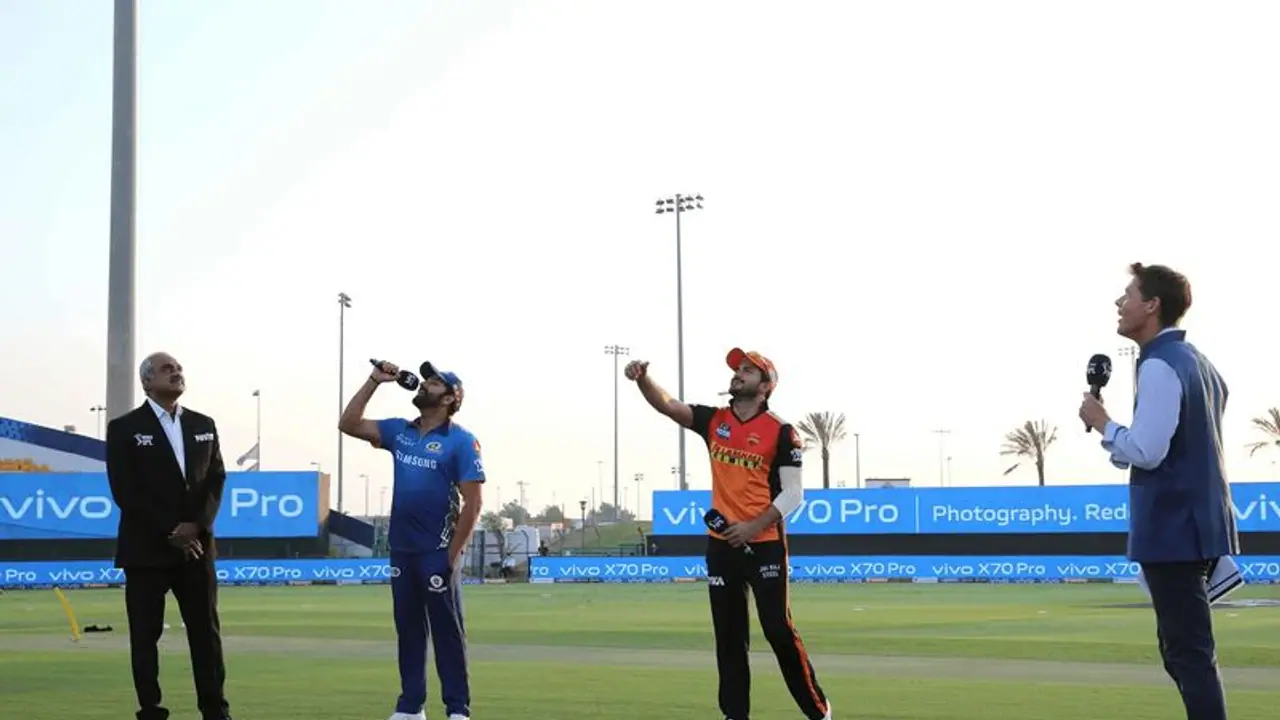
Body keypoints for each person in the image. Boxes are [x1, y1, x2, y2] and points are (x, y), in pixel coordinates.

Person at [626, 348, 831, 720]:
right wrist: (642, 379)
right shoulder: (714, 419)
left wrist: (752, 527)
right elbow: (669, 406)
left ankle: (819, 711)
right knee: (729, 637)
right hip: (722, 547)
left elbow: (793, 494)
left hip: (765, 545)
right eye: (738, 369)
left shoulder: (782, 432)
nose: (739, 373)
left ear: (765, 386)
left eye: (749, 370)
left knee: (778, 630)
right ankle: (735, 715)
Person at [1079, 262, 1236, 720]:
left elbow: (1148, 451)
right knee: (1183, 652)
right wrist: (1117, 437)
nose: (1119, 302)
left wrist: (1104, 424)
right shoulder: (1199, 363)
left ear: (1151, 306)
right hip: (1197, 523)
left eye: (1128, 294)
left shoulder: (1160, 365)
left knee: (1189, 654)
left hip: (1173, 528)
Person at [339, 359, 485, 720]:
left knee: (447, 633)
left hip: (437, 551)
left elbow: (473, 503)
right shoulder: (400, 431)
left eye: (434, 383)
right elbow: (348, 424)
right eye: (424, 380)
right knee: (408, 631)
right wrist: (375, 380)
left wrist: (452, 556)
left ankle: (457, 710)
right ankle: (411, 707)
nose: (424, 384)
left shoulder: (461, 442)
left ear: (450, 398)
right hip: (402, 551)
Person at [105, 352, 232, 720]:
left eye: (178, 368)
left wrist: (196, 525)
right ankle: (151, 709)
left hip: (196, 549)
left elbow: (216, 479)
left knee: (206, 633)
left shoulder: (203, 424)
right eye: (166, 369)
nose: (176, 373)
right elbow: (125, 490)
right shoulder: (124, 427)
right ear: (146, 381)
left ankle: (215, 710)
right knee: (145, 636)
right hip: (146, 550)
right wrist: (170, 530)